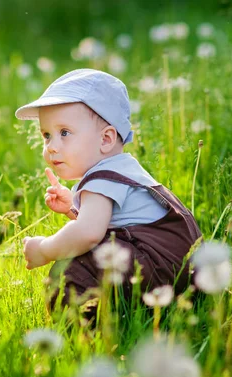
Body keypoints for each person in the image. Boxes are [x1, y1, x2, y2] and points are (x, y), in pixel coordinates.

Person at [15, 68, 201, 313]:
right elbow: (115, 226)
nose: (51, 147)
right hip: (183, 272)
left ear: (105, 139)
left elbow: (88, 234)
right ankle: (136, 315)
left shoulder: (101, 180)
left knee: (72, 268)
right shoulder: (123, 170)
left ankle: (84, 337)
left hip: (156, 268)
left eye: (64, 133)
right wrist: (74, 207)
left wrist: (44, 250)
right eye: (46, 135)